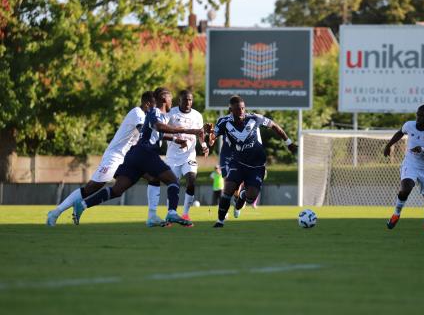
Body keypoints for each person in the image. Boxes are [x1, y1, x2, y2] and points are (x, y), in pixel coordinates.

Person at [71, 89, 205, 227]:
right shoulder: (154, 111)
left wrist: (176, 140)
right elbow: (158, 127)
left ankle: (82, 205)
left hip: (135, 155)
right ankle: (171, 213)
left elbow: (157, 132)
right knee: (172, 180)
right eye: (171, 98)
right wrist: (188, 131)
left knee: (118, 190)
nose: (173, 102)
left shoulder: (163, 114)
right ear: (164, 99)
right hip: (145, 153)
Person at [46, 91, 154, 226]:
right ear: (147, 104)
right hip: (115, 156)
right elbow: (143, 131)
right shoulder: (138, 113)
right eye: (154, 106)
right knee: (93, 186)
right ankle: (56, 212)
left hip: (127, 158)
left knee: (148, 178)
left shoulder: (146, 116)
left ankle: (153, 216)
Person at [209, 95, 297, 228]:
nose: (241, 112)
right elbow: (212, 138)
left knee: (251, 197)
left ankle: (243, 196)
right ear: (230, 110)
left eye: (243, 109)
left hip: (256, 166)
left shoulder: (255, 118)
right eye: (237, 109)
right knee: (228, 190)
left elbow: (274, 125)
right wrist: (207, 138)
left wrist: (288, 142)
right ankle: (220, 221)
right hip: (237, 163)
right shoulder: (223, 122)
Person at [384, 104, 424, 232]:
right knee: (406, 188)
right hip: (410, 164)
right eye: (417, 115)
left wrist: (422, 149)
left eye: (422, 116)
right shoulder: (409, 125)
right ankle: (396, 214)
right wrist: (388, 145)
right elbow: (400, 133)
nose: (418, 118)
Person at [164, 90, 208, 221]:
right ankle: (171, 214)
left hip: (189, 156)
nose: (188, 102)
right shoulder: (171, 113)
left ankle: (185, 214)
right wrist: (175, 139)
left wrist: (204, 146)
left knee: (191, 180)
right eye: (185, 100)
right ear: (179, 101)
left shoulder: (197, 115)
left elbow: (200, 134)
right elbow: (162, 131)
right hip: (172, 157)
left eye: (190, 100)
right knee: (173, 186)